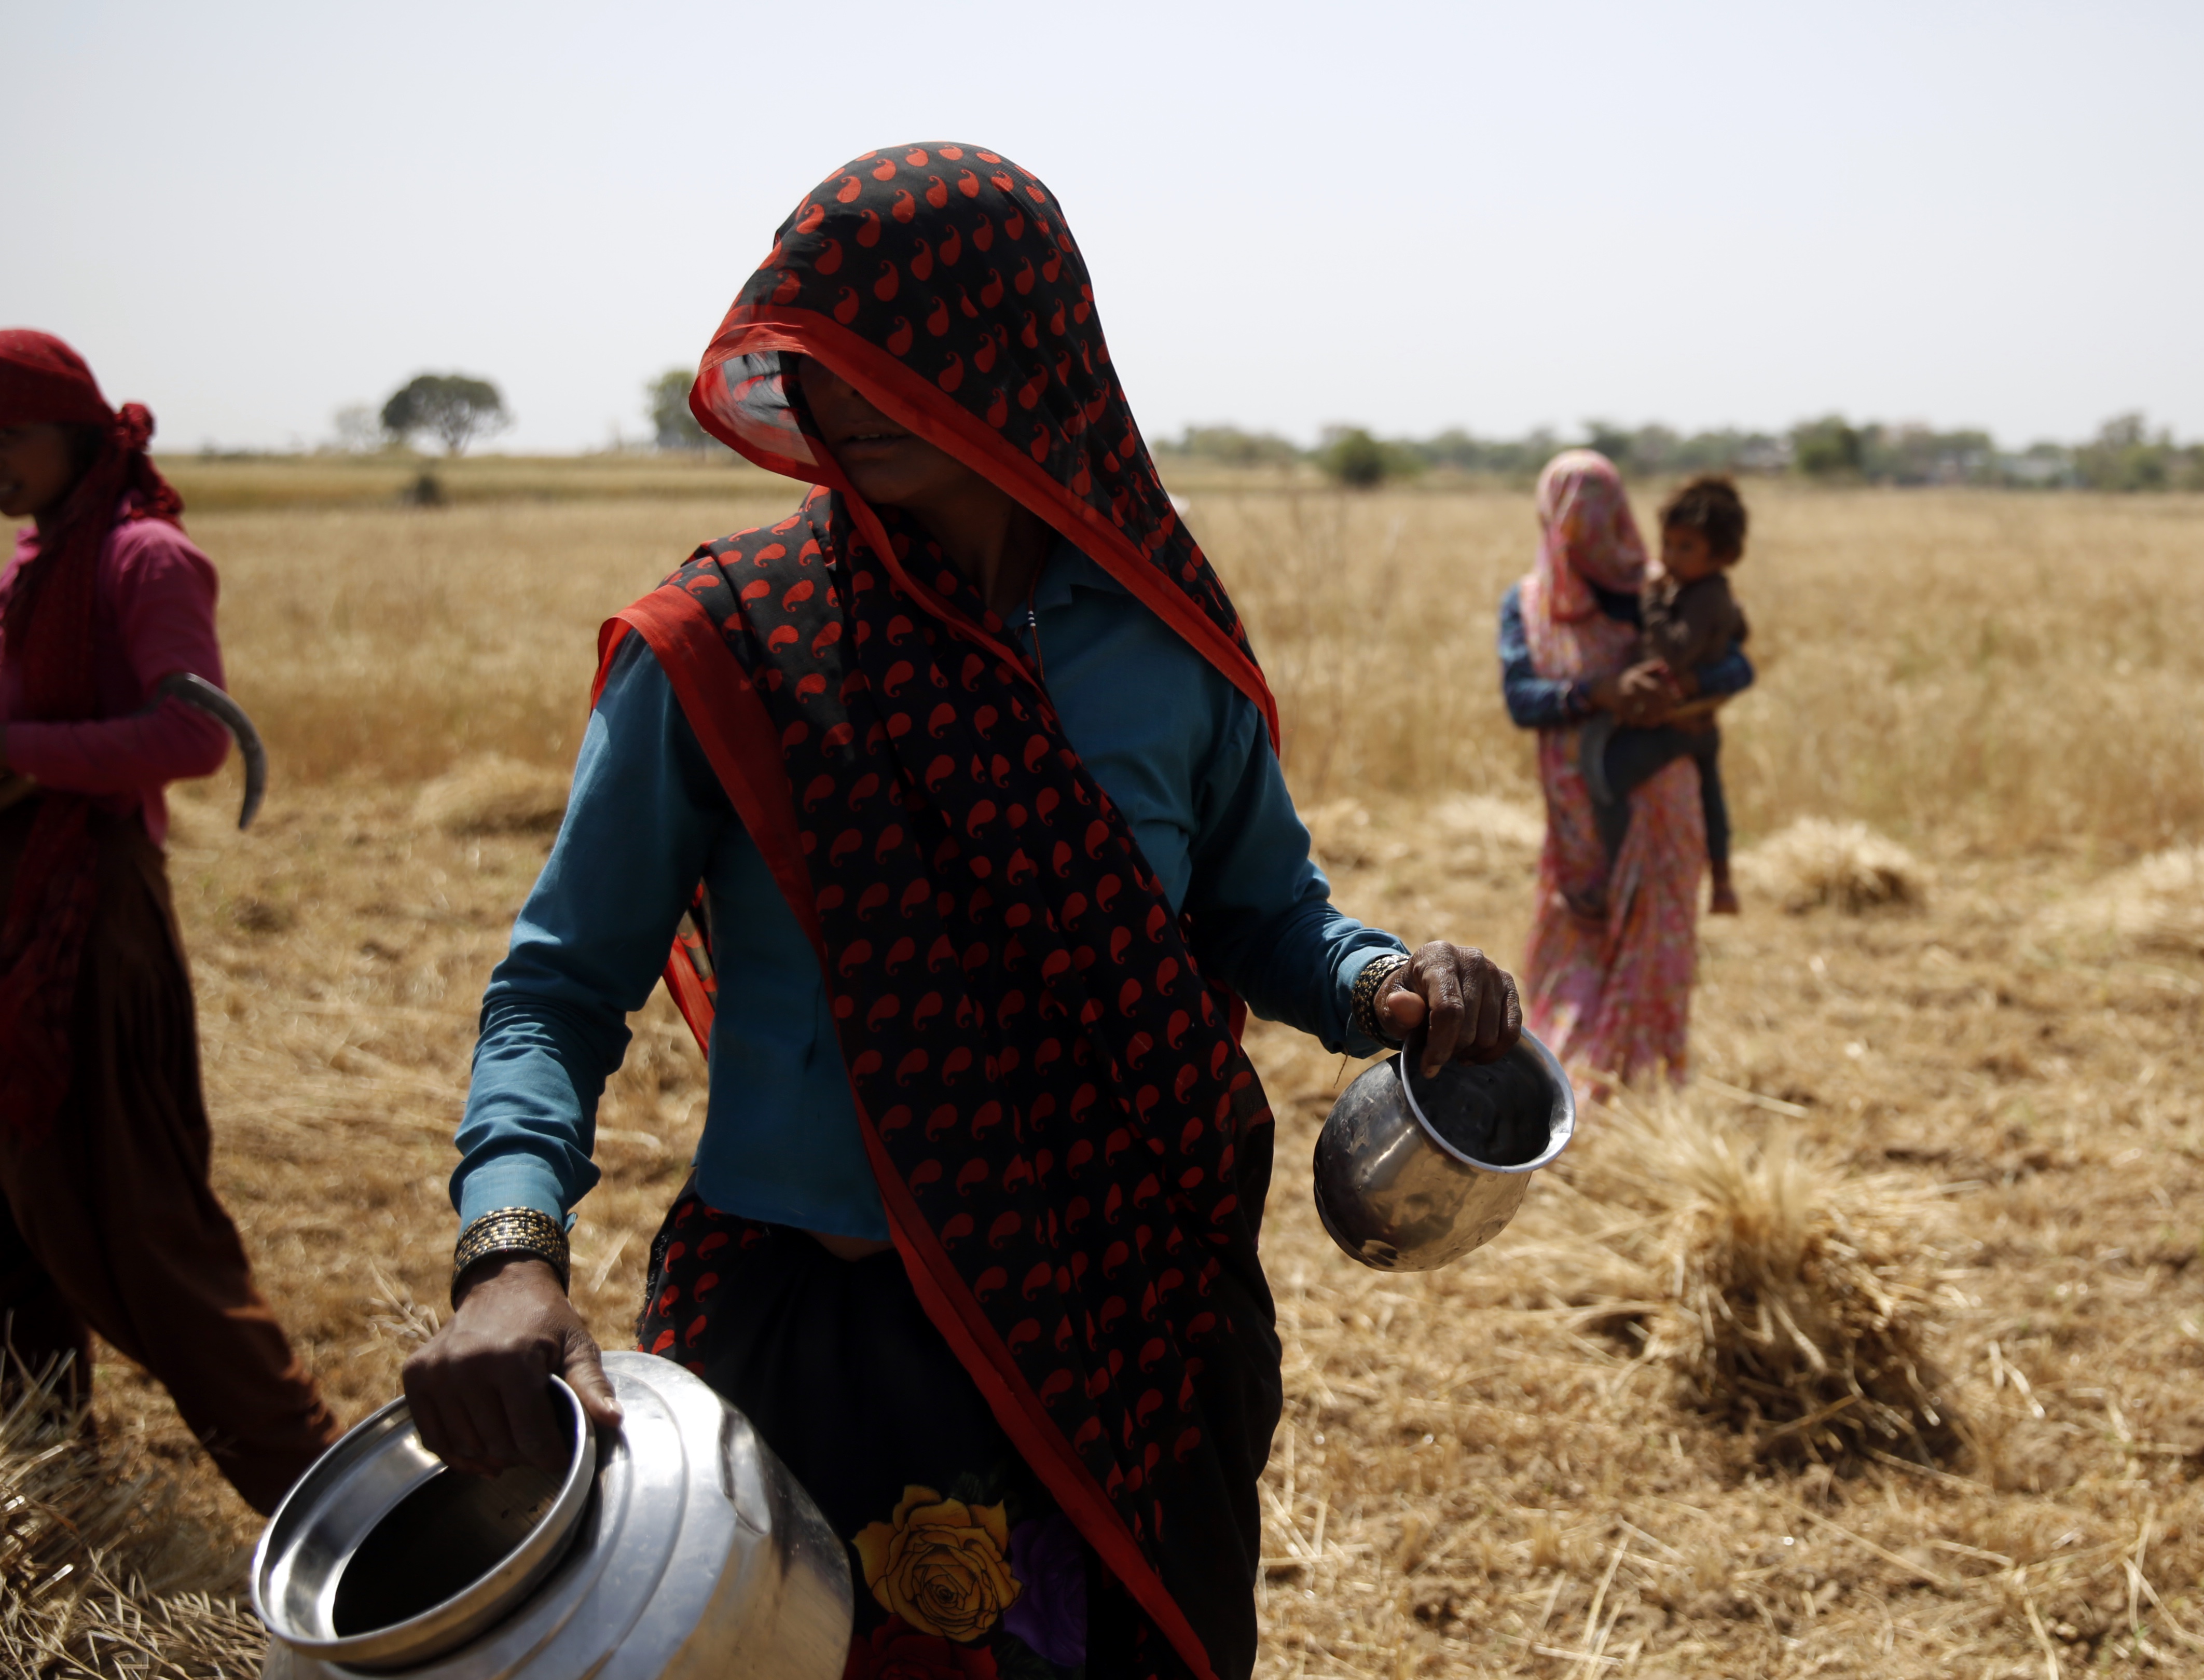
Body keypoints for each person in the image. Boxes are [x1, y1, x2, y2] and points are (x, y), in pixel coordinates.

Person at [400, 144, 1524, 1680]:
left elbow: (1266, 914)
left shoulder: (1161, 646)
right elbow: (553, 990)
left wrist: (1387, 978)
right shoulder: (728, 646)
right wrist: (510, 1249)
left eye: (882, 346)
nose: (829, 384)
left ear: (1017, 350)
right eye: (809, 350)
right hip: (822, 1348)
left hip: (1128, 1324)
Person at [0, 329, 340, 1513]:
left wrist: (19, 757)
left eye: (14, 435)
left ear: (80, 434)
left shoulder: (143, 559)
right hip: (18, 918)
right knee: (18, 1210)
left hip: (95, 927)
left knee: (143, 1226)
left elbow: (195, 733)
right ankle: (48, 1471)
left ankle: (338, 1505)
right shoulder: (31, 569)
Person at [1497, 450, 1750, 1085]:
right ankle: (1565, 1083)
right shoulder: (1528, 606)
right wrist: (1599, 693)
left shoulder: (1657, 590)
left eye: (1594, 521)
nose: (1581, 539)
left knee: (1654, 943)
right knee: (1579, 928)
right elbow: (1522, 700)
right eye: (1571, 524)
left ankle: (1640, 1084)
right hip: (1578, 808)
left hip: (1661, 796)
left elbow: (1738, 664)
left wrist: (1684, 688)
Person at [1575, 473, 1752, 914]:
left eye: (1685, 547)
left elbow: (1674, 651)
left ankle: (1613, 884)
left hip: (1677, 721)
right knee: (1711, 793)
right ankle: (1723, 882)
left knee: (1605, 777)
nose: (1669, 556)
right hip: (1699, 718)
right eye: (1667, 544)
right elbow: (1739, 631)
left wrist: (1652, 603)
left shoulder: (1700, 595)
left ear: (1723, 555)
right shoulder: (1709, 591)